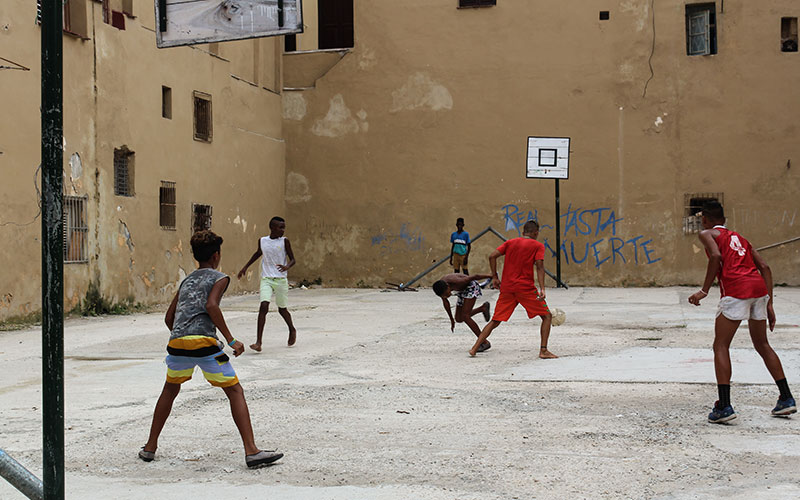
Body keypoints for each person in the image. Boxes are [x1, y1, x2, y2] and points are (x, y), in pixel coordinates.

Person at [139, 230, 283, 468]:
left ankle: (149, 447)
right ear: (216, 255)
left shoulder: (187, 280)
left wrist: (182, 338)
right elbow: (211, 305)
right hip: (204, 344)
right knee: (235, 391)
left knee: (169, 390)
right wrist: (231, 339)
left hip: (177, 343)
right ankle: (251, 451)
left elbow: (169, 318)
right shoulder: (219, 277)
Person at [688, 201, 795, 423]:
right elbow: (764, 267)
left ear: (705, 220)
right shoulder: (741, 239)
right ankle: (786, 398)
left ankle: (724, 407)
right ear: (724, 220)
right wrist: (769, 303)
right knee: (763, 344)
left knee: (720, 345)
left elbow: (716, 256)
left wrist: (704, 290)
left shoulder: (707, 234)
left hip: (737, 289)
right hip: (758, 288)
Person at [469, 220, 557, 359]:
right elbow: (539, 267)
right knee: (547, 316)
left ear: (523, 232)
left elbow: (492, 256)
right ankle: (543, 350)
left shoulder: (510, 242)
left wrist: (494, 276)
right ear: (536, 233)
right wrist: (542, 289)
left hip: (507, 288)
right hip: (525, 289)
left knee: (495, 320)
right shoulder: (538, 245)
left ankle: (474, 348)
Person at [238, 216, 297, 350]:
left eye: (284, 227)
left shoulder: (285, 241)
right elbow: (258, 253)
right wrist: (245, 267)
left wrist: (287, 266)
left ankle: (292, 329)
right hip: (267, 278)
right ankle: (258, 342)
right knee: (263, 306)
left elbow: (293, 259)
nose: (283, 230)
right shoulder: (263, 241)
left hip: (281, 279)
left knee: (282, 309)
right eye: (280, 227)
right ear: (272, 228)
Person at [432, 273, 492, 352]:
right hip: (461, 291)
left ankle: (484, 342)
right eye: (444, 296)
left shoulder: (458, 281)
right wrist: (451, 320)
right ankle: (482, 308)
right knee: (459, 319)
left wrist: (492, 276)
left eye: (447, 294)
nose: (447, 296)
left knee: (465, 317)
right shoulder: (440, 287)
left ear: (448, 286)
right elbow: (446, 303)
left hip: (471, 287)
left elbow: (475, 276)